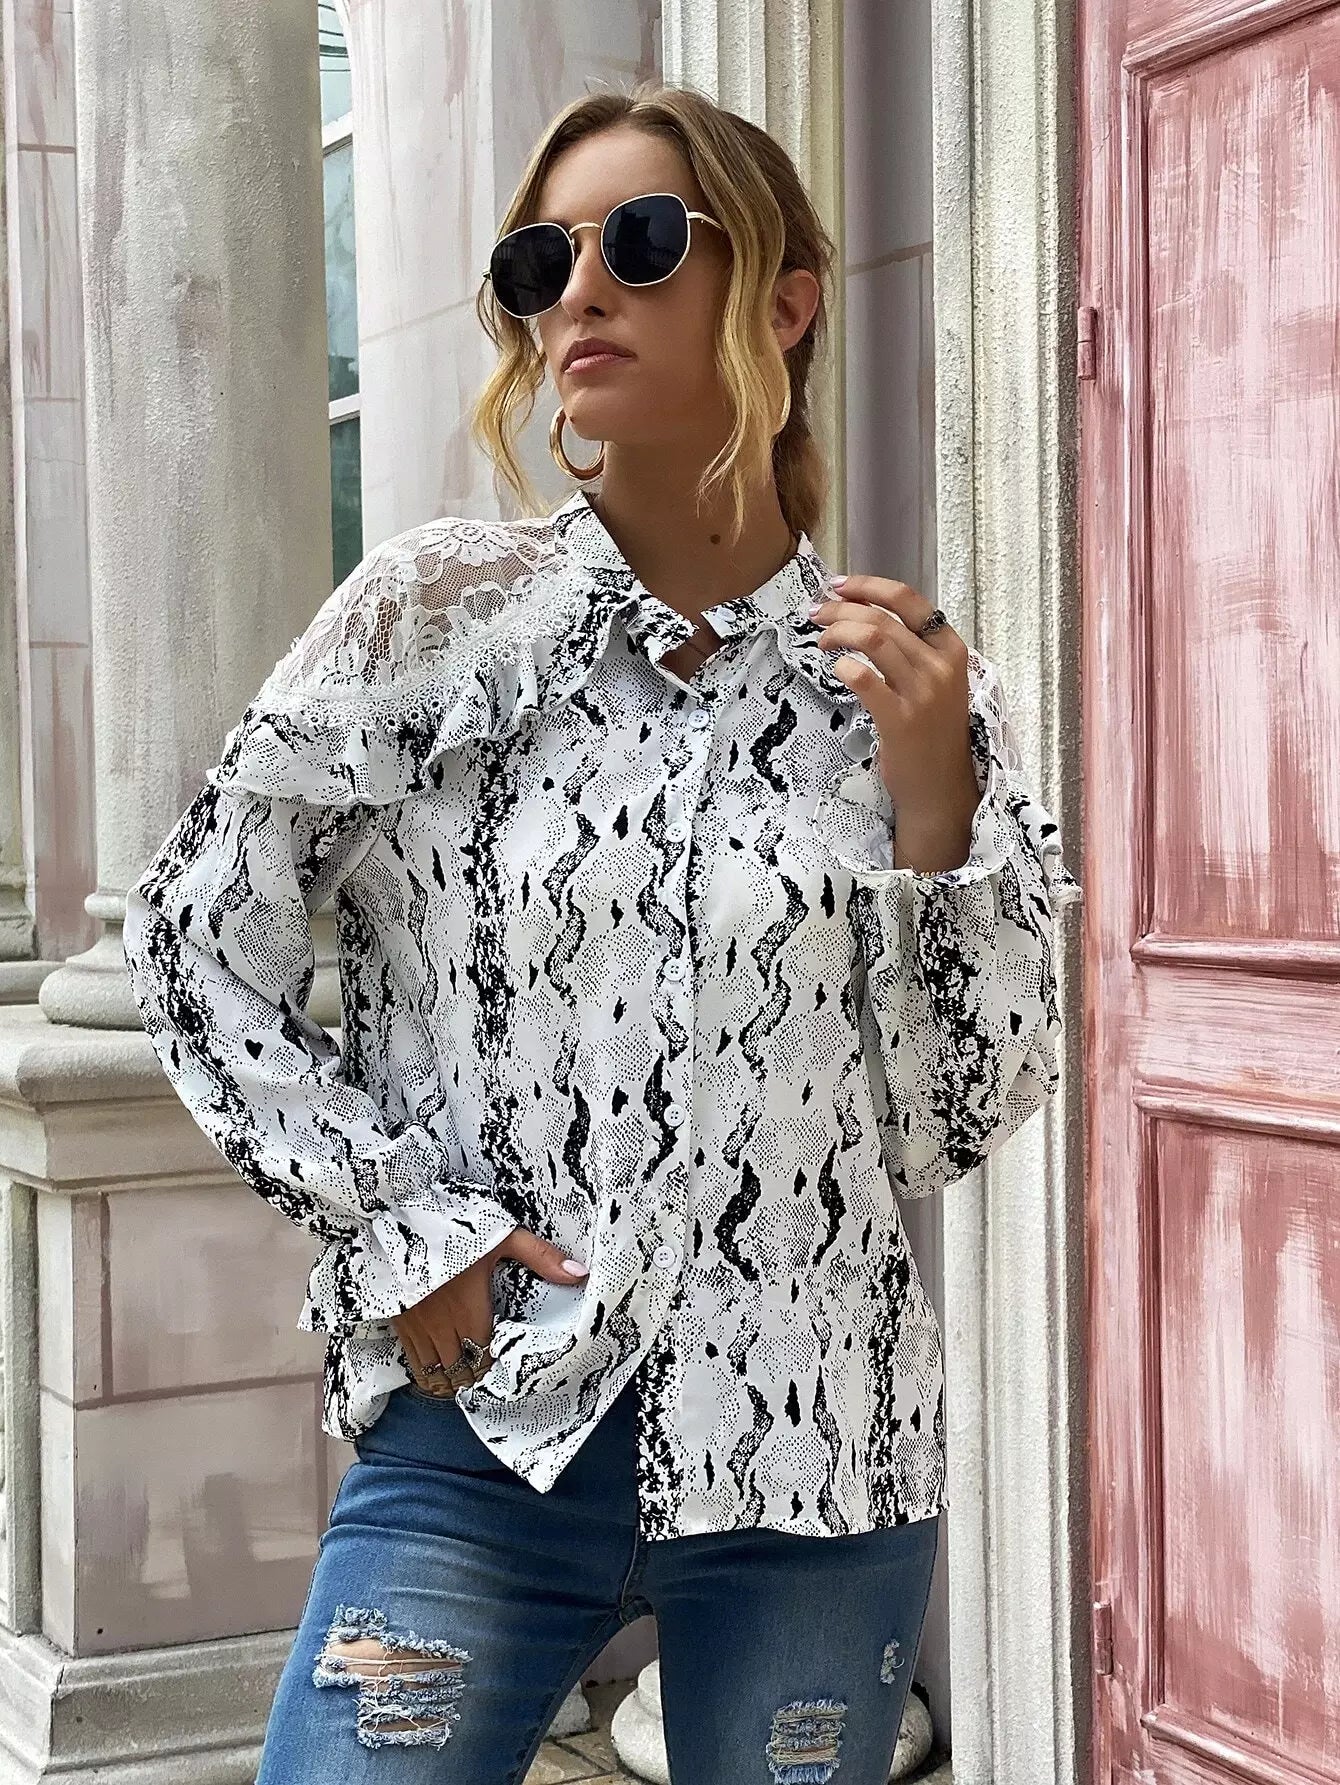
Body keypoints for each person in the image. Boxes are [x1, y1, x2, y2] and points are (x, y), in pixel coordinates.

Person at [122, 77, 1079, 1785]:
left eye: (638, 243)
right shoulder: (434, 620)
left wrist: (936, 811)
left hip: (816, 1465)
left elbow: (944, 1123)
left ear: (783, 300)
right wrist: (402, 1224)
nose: (576, 293)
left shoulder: (904, 685)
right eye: (537, 262)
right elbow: (197, 937)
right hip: (483, 1444)